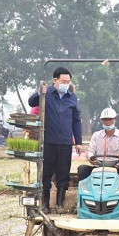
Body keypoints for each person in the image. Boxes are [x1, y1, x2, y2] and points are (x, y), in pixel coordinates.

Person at [28, 67, 82, 213]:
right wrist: (40, 92)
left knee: (63, 174)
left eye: (68, 81)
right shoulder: (47, 95)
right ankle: (45, 204)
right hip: (48, 141)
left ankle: (59, 204)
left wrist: (78, 142)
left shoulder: (72, 97)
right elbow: (31, 102)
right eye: (63, 81)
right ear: (55, 81)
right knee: (46, 173)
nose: (66, 84)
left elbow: (76, 121)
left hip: (65, 142)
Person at [78, 108, 119, 184]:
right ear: (101, 120)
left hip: (117, 168)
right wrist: (91, 158)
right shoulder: (96, 135)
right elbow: (90, 151)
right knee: (82, 169)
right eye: (105, 119)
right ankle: (86, 192)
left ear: (115, 120)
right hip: (99, 167)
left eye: (110, 119)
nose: (107, 122)